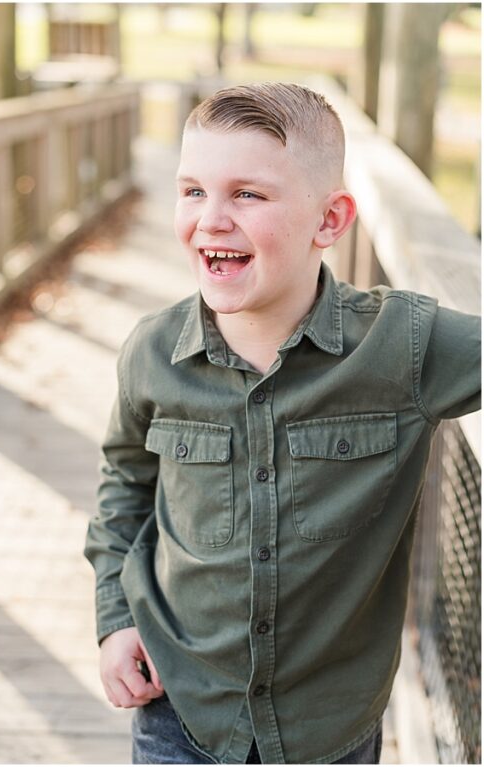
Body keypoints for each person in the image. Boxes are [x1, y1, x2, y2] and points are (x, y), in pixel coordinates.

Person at [84, 82, 481, 765]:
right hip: (181, 709)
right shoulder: (152, 354)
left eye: (247, 194)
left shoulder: (403, 347)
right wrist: (114, 621)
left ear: (329, 221)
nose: (211, 218)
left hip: (327, 726)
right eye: (192, 190)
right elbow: (123, 483)